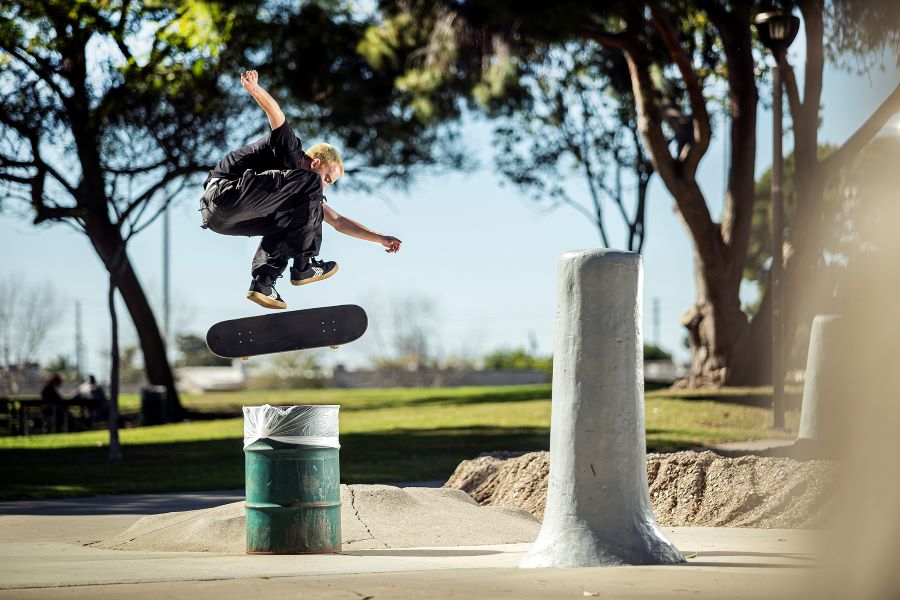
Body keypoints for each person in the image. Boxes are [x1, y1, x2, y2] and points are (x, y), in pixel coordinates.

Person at [200, 69, 402, 309]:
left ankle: (263, 284)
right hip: (224, 194)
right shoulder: (292, 151)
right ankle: (304, 266)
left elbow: (337, 221)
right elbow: (277, 115)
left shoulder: (298, 191)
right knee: (309, 189)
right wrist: (255, 90)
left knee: (294, 218)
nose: (324, 185)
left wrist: (379, 238)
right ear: (315, 162)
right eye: (327, 178)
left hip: (223, 221)